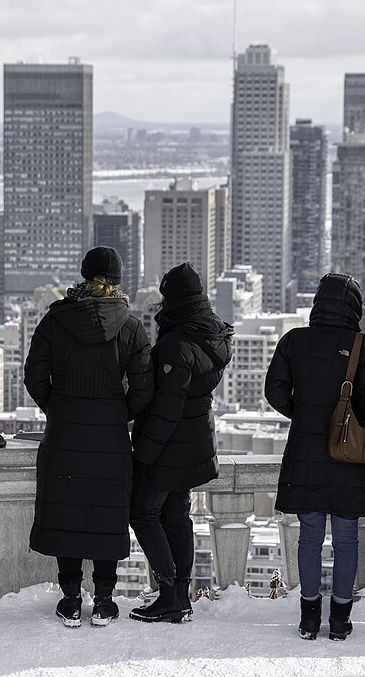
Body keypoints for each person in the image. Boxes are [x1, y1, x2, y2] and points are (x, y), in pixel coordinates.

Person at [25, 246, 154, 628]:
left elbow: (34, 377)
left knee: (66, 509)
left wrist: (59, 409)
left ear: (83, 275)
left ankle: (69, 599)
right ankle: (103, 599)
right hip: (110, 437)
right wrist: (117, 414)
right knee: (105, 512)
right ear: (117, 282)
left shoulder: (55, 320)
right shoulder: (131, 326)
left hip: (64, 433)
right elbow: (144, 389)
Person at [265, 273, 365, 641]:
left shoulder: (293, 340)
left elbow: (274, 391)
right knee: (347, 537)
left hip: (304, 452)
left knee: (309, 537)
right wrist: (346, 421)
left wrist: (303, 414)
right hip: (347, 456)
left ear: (318, 303)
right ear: (354, 306)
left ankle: (307, 618)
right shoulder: (359, 345)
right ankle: (340, 620)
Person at [129, 262, 233, 623]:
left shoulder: (177, 343)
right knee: (177, 515)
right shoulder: (212, 333)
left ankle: (171, 594)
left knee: (143, 513)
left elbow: (166, 409)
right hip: (196, 440)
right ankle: (180, 597)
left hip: (170, 445)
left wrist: (143, 455)